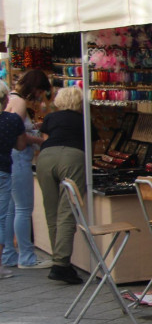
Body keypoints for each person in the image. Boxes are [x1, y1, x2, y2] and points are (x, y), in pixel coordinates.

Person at [36, 87, 89, 285]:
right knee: (68, 210)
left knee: (51, 211)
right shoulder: (83, 119)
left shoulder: (51, 118)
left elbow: (45, 139)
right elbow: (90, 144)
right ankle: (61, 264)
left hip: (46, 156)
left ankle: (57, 259)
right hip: (72, 157)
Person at [3, 70, 52, 270]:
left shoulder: (11, 99)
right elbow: (17, 136)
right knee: (23, 208)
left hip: (10, 158)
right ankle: (27, 256)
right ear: (34, 88)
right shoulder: (21, 103)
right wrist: (40, 140)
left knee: (11, 210)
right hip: (19, 158)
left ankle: (9, 255)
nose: (40, 97)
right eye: (40, 91)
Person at [0, 89, 28, 279]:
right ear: (5, 99)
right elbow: (20, 146)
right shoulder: (12, 121)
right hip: (3, 170)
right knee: (1, 217)